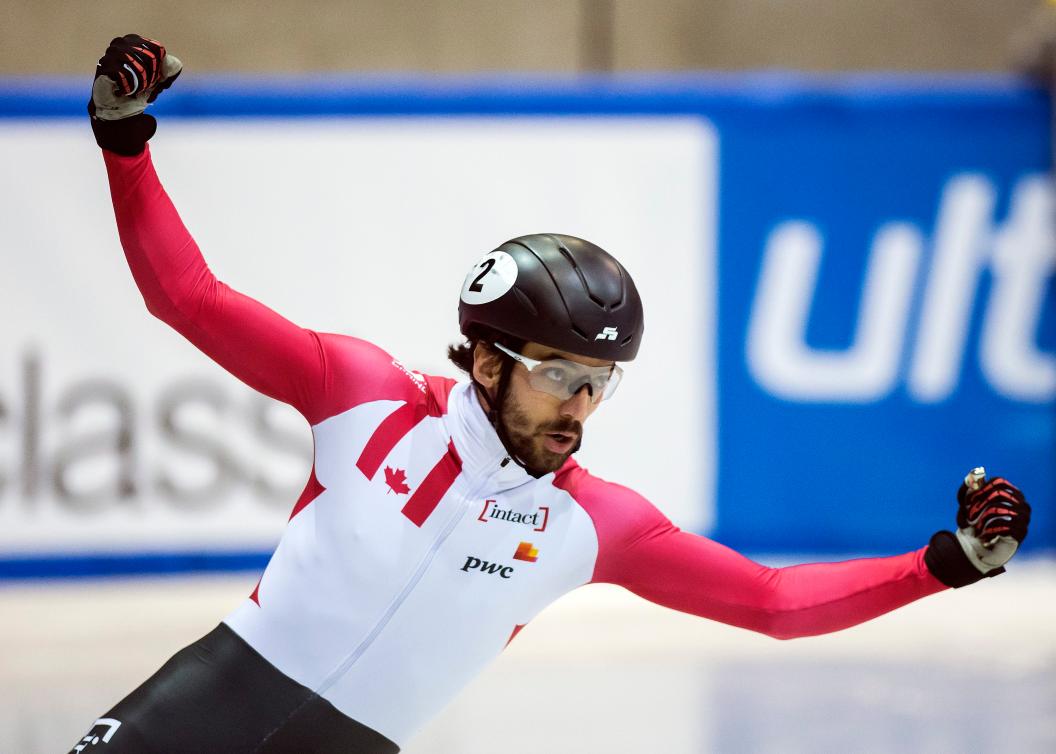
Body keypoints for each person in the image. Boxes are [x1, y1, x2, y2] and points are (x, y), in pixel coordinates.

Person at [72, 35, 1032, 754]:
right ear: (486, 362)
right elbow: (186, 298)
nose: (580, 409)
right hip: (198, 708)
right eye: (560, 377)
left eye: (599, 385)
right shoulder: (359, 393)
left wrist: (941, 563)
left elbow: (773, 602)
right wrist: (127, 144)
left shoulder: (596, 527)